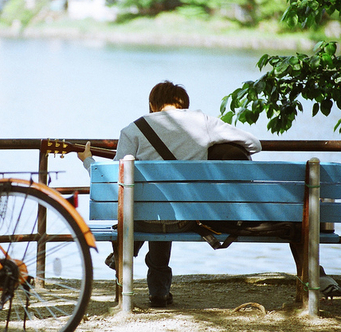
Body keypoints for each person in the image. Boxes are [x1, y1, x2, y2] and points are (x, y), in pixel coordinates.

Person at [77, 81, 262, 308]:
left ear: (152, 105)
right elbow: (255, 144)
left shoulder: (133, 130)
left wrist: (88, 161)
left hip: (142, 221)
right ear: (184, 105)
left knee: (148, 208)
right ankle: (159, 292)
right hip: (187, 219)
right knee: (168, 208)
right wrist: (212, 148)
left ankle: (142, 280)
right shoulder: (203, 123)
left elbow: (113, 184)